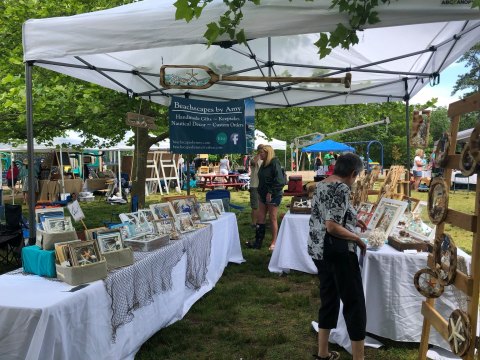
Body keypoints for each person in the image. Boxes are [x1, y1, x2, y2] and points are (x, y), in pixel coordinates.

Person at [308, 152, 367, 360]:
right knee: (354, 304)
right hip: (338, 251)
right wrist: (357, 238)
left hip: (319, 250)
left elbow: (327, 211)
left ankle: (323, 353)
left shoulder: (322, 184)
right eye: (357, 176)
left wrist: (353, 218)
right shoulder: (342, 188)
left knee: (329, 299)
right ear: (353, 173)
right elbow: (332, 226)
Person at [246, 145, 285, 251]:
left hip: (273, 194)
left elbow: (280, 181)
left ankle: (274, 242)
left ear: (268, 153)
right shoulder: (263, 164)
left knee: (272, 218)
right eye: (259, 152)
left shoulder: (274, 163)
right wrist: (260, 192)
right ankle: (258, 242)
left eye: (262, 153)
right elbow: (261, 179)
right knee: (260, 218)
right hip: (262, 194)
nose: (260, 154)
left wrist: (271, 192)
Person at [248, 144, 264, 228]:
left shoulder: (265, 159)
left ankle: (260, 222)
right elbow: (253, 163)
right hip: (255, 185)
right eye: (261, 150)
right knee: (255, 206)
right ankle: (254, 223)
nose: (262, 151)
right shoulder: (254, 158)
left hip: (263, 186)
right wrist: (258, 154)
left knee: (263, 206)